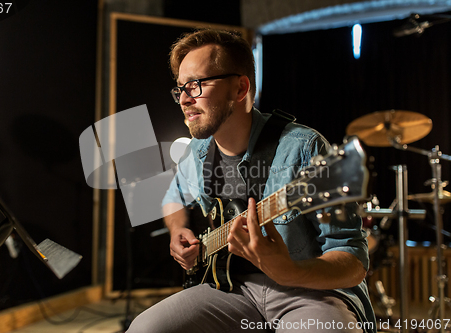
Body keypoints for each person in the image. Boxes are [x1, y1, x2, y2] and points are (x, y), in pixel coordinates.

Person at [127, 28, 376, 333]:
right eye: (179, 88)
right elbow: (173, 197)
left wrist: (291, 271)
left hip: (310, 292)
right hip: (232, 289)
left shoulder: (303, 147)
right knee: (145, 328)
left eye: (195, 85)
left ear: (240, 88)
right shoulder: (196, 153)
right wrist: (178, 229)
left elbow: (353, 263)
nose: (183, 99)